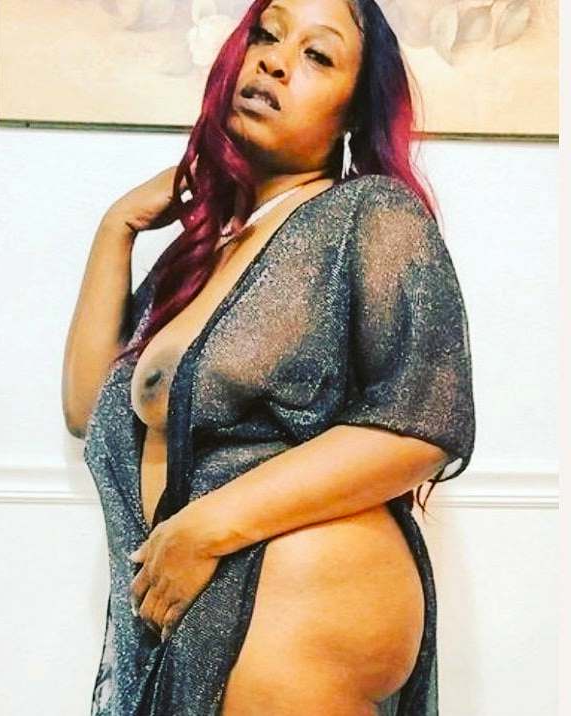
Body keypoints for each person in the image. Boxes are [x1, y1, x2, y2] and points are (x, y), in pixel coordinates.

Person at [62, 0, 476, 713]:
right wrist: (117, 227)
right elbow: (87, 409)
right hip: (209, 608)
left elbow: (423, 423)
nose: (275, 62)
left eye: (318, 55)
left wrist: (204, 529)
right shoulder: (207, 255)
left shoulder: (370, 213)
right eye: (267, 33)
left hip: (300, 602)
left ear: (353, 114)